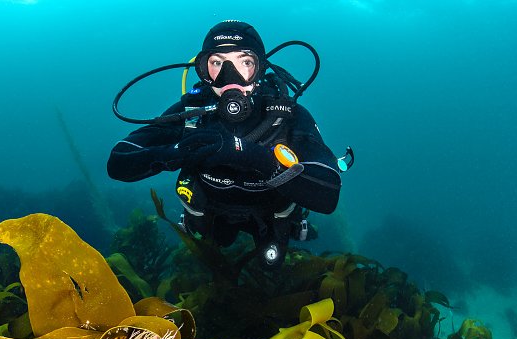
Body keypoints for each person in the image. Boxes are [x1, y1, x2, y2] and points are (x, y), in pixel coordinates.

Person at [107, 20, 344, 267]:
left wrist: (251, 155)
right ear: (203, 69)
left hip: (269, 214)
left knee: (271, 265)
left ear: (260, 68)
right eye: (217, 63)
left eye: (245, 62)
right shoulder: (193, 112)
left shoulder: (286, 115)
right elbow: (118, 162)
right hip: (212, 213)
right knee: (215, 254)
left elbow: (328, 195)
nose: (230, 77)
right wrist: (177, 152)